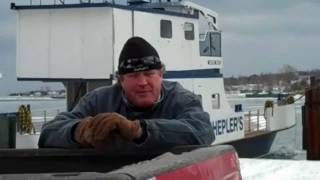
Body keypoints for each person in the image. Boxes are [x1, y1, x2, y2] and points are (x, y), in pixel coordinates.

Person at [38, 37, 215, 152]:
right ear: (121, 80)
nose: (142, 82)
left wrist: (137, 130)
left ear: (161, 75)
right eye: (133, 75)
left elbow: (202, 132)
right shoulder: (98, 100)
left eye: (149, 74)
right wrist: (78, 132)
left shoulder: (181, 99)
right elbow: (47, 133)